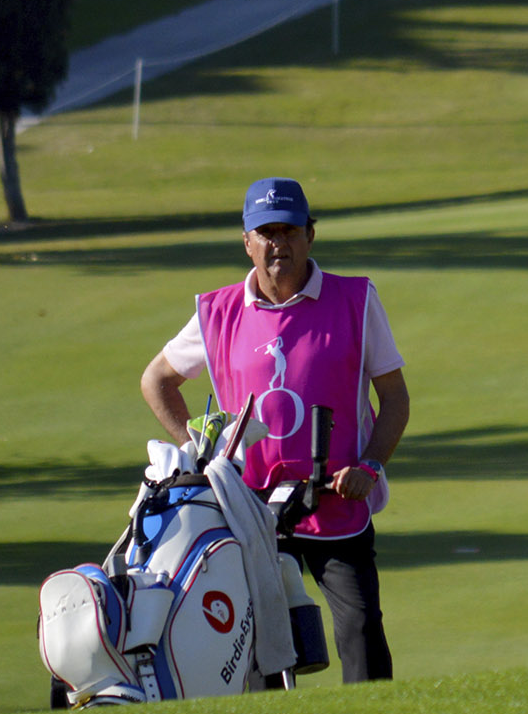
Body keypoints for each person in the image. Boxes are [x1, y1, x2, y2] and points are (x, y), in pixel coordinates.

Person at [141, 177, 410, 682]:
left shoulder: (356, 300)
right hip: (249, 509)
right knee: (256, 647)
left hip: (337, 502)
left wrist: (370, 467)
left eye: (288, 230)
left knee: (361, 630)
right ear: (247, 242)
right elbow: (156, 381)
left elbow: (394, 398)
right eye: (264, 233)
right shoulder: (217, 312)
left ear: (310, 234)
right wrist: (201, 456)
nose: (276, 244)